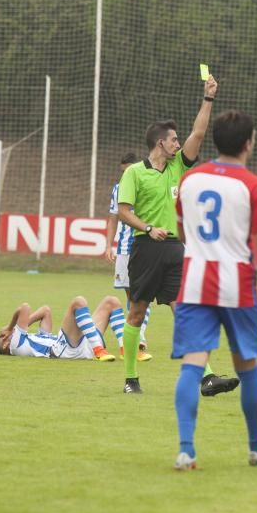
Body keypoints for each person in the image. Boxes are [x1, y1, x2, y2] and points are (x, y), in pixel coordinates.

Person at [171, 110, 257, 470]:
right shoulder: (254, 186)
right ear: (249, 143)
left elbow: (184, 234)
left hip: (195, 281)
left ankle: (186, 450)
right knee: (247, 368)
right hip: (236, 285)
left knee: (192, 366)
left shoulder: (190, 180)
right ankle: (255, 448)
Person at [117, 74, 239, 396]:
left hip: (175, 249)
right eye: (173, 140)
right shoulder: (135, 172)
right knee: (137, 312)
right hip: (146, 248)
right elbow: (123, 210)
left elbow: (198, 132)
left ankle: (207, 377)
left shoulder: (177, 167)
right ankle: (131, 379)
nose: (177, 144)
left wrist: (208, 98)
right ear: (160, 143)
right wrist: (147, 227)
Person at [105, 152, 152, 362]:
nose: (126, 175)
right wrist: (108, 245)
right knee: (131, 297)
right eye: (123, 172)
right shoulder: (118, 189)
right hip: (124, 249)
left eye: (129, 171)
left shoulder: (148, 185)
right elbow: (113, 218)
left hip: (145, 246)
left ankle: (136, 340)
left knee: (143, 294)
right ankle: (134, 339)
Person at [0, 296, 127, 360]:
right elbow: (24, 308)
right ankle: (99, 350)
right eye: (2, 337)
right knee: (78, 303)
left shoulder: (31, 339)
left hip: (82, 343)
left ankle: (125, 349)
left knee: (111, 302)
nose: (4, 334)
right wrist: (11, 327)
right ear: (5, 344)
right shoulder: (15, 346)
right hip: (64, 350)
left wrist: (20, 326)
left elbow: (45, 311)